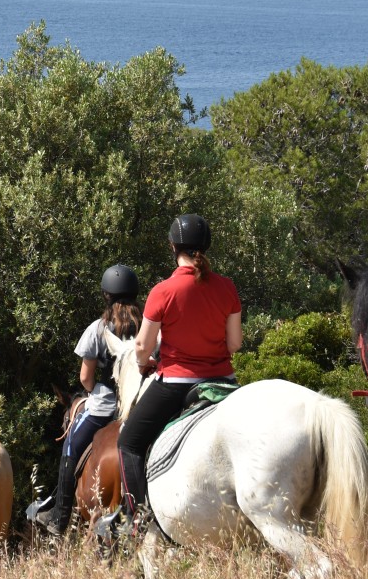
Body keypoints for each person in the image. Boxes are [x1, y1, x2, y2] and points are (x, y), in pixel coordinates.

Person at [117, 214, 242, 532]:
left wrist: (144, 362)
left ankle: (141, 521)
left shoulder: (163, 291)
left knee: (128, 443)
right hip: (224, 382)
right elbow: (235, 343)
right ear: (207, 246)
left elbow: (143, 347)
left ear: (173, 247)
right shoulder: (227, 287)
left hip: (176, 383)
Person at [33, 264, 142, 536]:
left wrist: (95, 391)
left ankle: (59, 517)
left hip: (104, 406)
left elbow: (85, 377)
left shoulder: (98, 328)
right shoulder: (148, 327)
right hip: (140, 403)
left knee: (70, 447)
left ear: (106, 296)